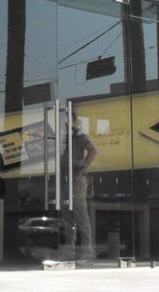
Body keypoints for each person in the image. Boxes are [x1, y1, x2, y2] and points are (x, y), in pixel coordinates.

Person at [66, 112, 97, 265]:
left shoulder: (77, 134)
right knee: (67, 218)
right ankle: (69, 252)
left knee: (81, 216)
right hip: (63, 180)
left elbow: (93, 151)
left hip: (76, 180)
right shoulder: (59, 136)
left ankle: (87, 253)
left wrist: (81, 171)